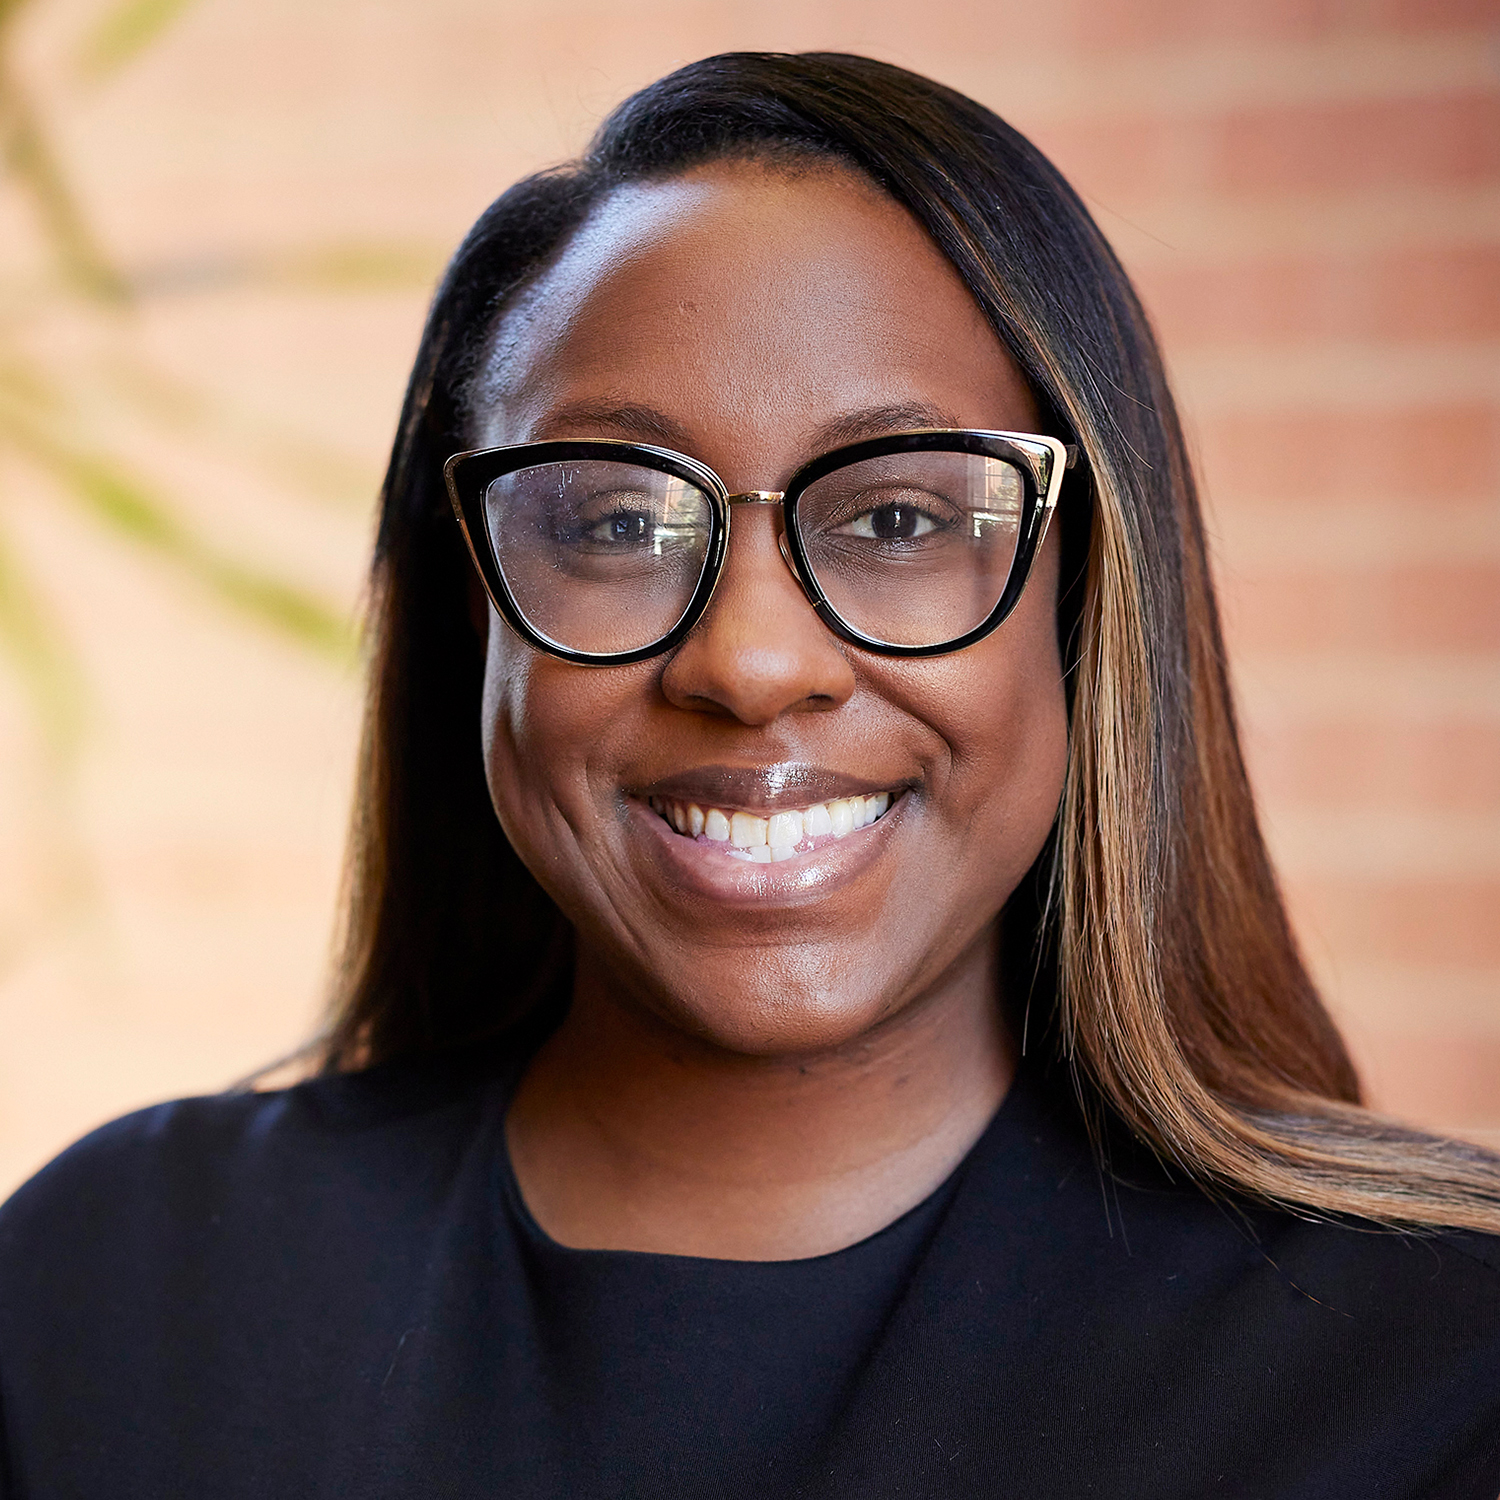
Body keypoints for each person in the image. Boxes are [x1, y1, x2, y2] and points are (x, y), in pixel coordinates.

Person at [1, 51, 1497, 1499]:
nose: (755, 662)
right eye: (613, 523)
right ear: (475, 594)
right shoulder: (112, 1297)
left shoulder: (1437, 1370)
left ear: (1083, 587)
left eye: (901, 519)